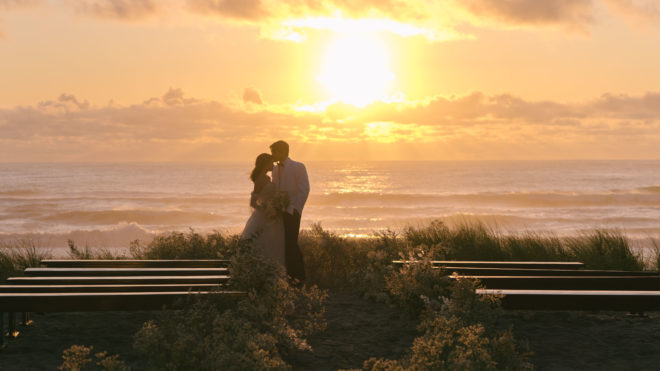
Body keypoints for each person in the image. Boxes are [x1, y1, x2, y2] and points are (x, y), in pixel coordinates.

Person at [270, 140, 309, 282]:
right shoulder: (274, 169)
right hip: (278, 212)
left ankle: (299, 277)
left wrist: (295, 209)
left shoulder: (298, 167)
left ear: (281, 152)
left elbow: (304, 190)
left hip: (292, 212)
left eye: (274, 152)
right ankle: (287, 276)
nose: (272, 155)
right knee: (282, 244)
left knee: (292, 244)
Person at [241, 153, 285, 267]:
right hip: (264, 217)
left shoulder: (266, 177)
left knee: (274, 245)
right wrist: (267, 211)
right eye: (271, 162)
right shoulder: (260, 179)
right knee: (265, 245)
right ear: (266, 164)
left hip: (271, 215)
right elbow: (253, 202)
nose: (273, 164)